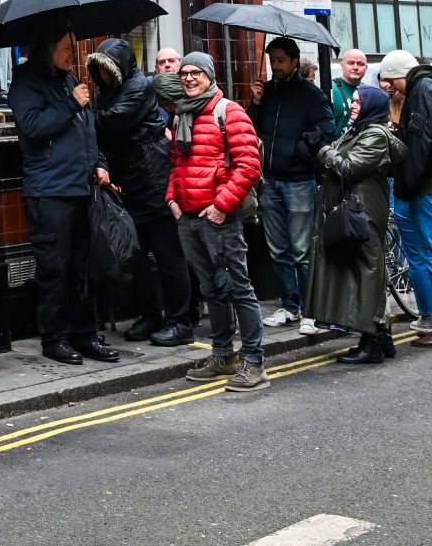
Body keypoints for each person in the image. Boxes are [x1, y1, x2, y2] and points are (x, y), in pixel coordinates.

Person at [157, 52, 268, 392]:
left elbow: (249, 166)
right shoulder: (181, 115)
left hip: (219, 217)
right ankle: (223, 356)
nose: (189, 78)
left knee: (237, 286)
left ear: (209, 76)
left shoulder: (228, 111)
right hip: (188, 217)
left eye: (196, 73)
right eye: (185, 73)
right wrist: (172, 199)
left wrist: (221, 206)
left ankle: (254, 362)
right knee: (211, 289)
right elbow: (177, 163)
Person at [9, 30, 117, 366]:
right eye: (67, 48)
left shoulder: (70, 80)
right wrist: (71, 102)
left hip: (82, 187)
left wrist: (99, 164)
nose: (74, 54)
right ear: (47, 47)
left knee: (83, 268)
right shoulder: (26, 83)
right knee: (55, 269)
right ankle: (55, 338)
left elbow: (88, 133)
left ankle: (84, 335)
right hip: (50, 191)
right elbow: (33, 127)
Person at [88, 37, 194, 346]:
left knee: (168, 254)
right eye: (100, 72)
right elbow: (102, 138)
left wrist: (80, 111)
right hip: (130, 184)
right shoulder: (107, 91)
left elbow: (108, 124)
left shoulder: (136, 88)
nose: (104, 77)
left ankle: (180, 321)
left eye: (108, 71)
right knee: (135, 255)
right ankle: (151, 316)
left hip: (153, 179)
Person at [374, 49, 432, 348]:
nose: (390, 87)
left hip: (429, 188)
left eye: (391, 80)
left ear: (402, 74)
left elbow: (421, 145)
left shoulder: (422, 91)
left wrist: (406, 186)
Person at [308, 85, 405, 365]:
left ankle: (371, 343)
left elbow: (348, 167)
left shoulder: (374, 135)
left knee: (367, 273)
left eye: (358, 101)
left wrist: (322, 150)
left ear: (372, 106)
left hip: (364, 213)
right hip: (357, 210)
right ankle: (382, 337)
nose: (352, 104)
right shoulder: (358, 130)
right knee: (363, 272)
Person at [247, 36, 338, 333]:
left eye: (281, 60)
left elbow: (326, 133)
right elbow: (250, 128)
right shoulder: (268, 91)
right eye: (272, 60)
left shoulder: (310, 94)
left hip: (299, 181)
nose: (275, 66)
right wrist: (257, 103)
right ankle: (290, 306)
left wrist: (297, 152)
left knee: (301, 250)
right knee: (278, 250)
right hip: (270, 180)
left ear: (295, 61)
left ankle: (311, 310)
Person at [329, 47, 369, 121]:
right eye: (351, 63)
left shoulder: (368, 92)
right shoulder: (330, 89)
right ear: (342, 65)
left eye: (360, 64)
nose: (355, 67)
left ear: (366, 68)